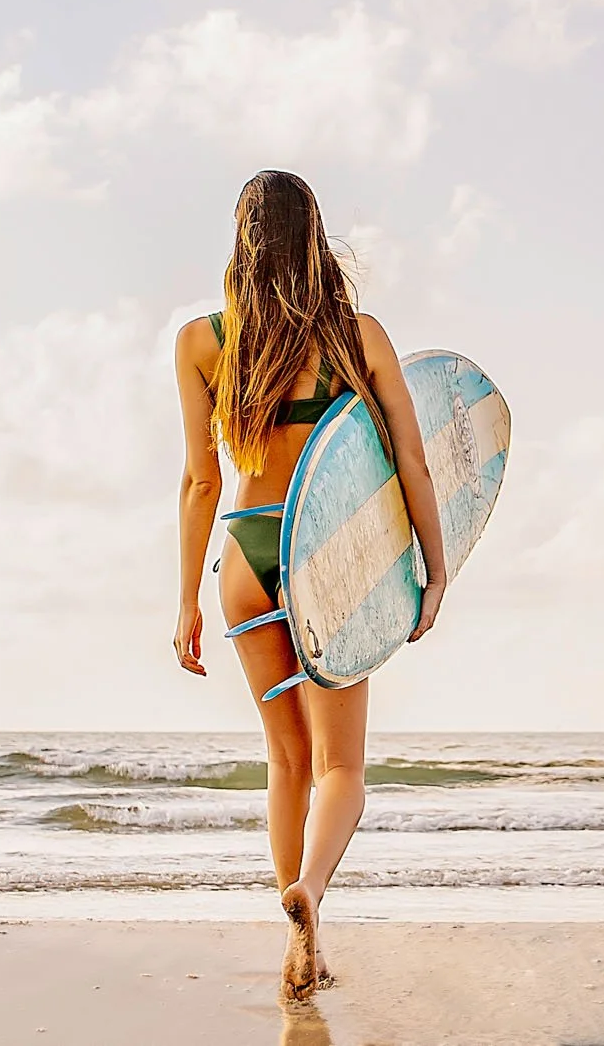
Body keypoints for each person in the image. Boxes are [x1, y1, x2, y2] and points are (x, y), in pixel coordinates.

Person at [170, 169, 447, 1002]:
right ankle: (313, 894)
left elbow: (199, 482)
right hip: (328, 557)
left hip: (247, 560)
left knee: (284, 758)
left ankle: (300, 943)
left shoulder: (203, 342)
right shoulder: (357, 336)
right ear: (314, 238)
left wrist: (186, 599)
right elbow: (411, 456)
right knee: (341, 767)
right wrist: (433, 571)